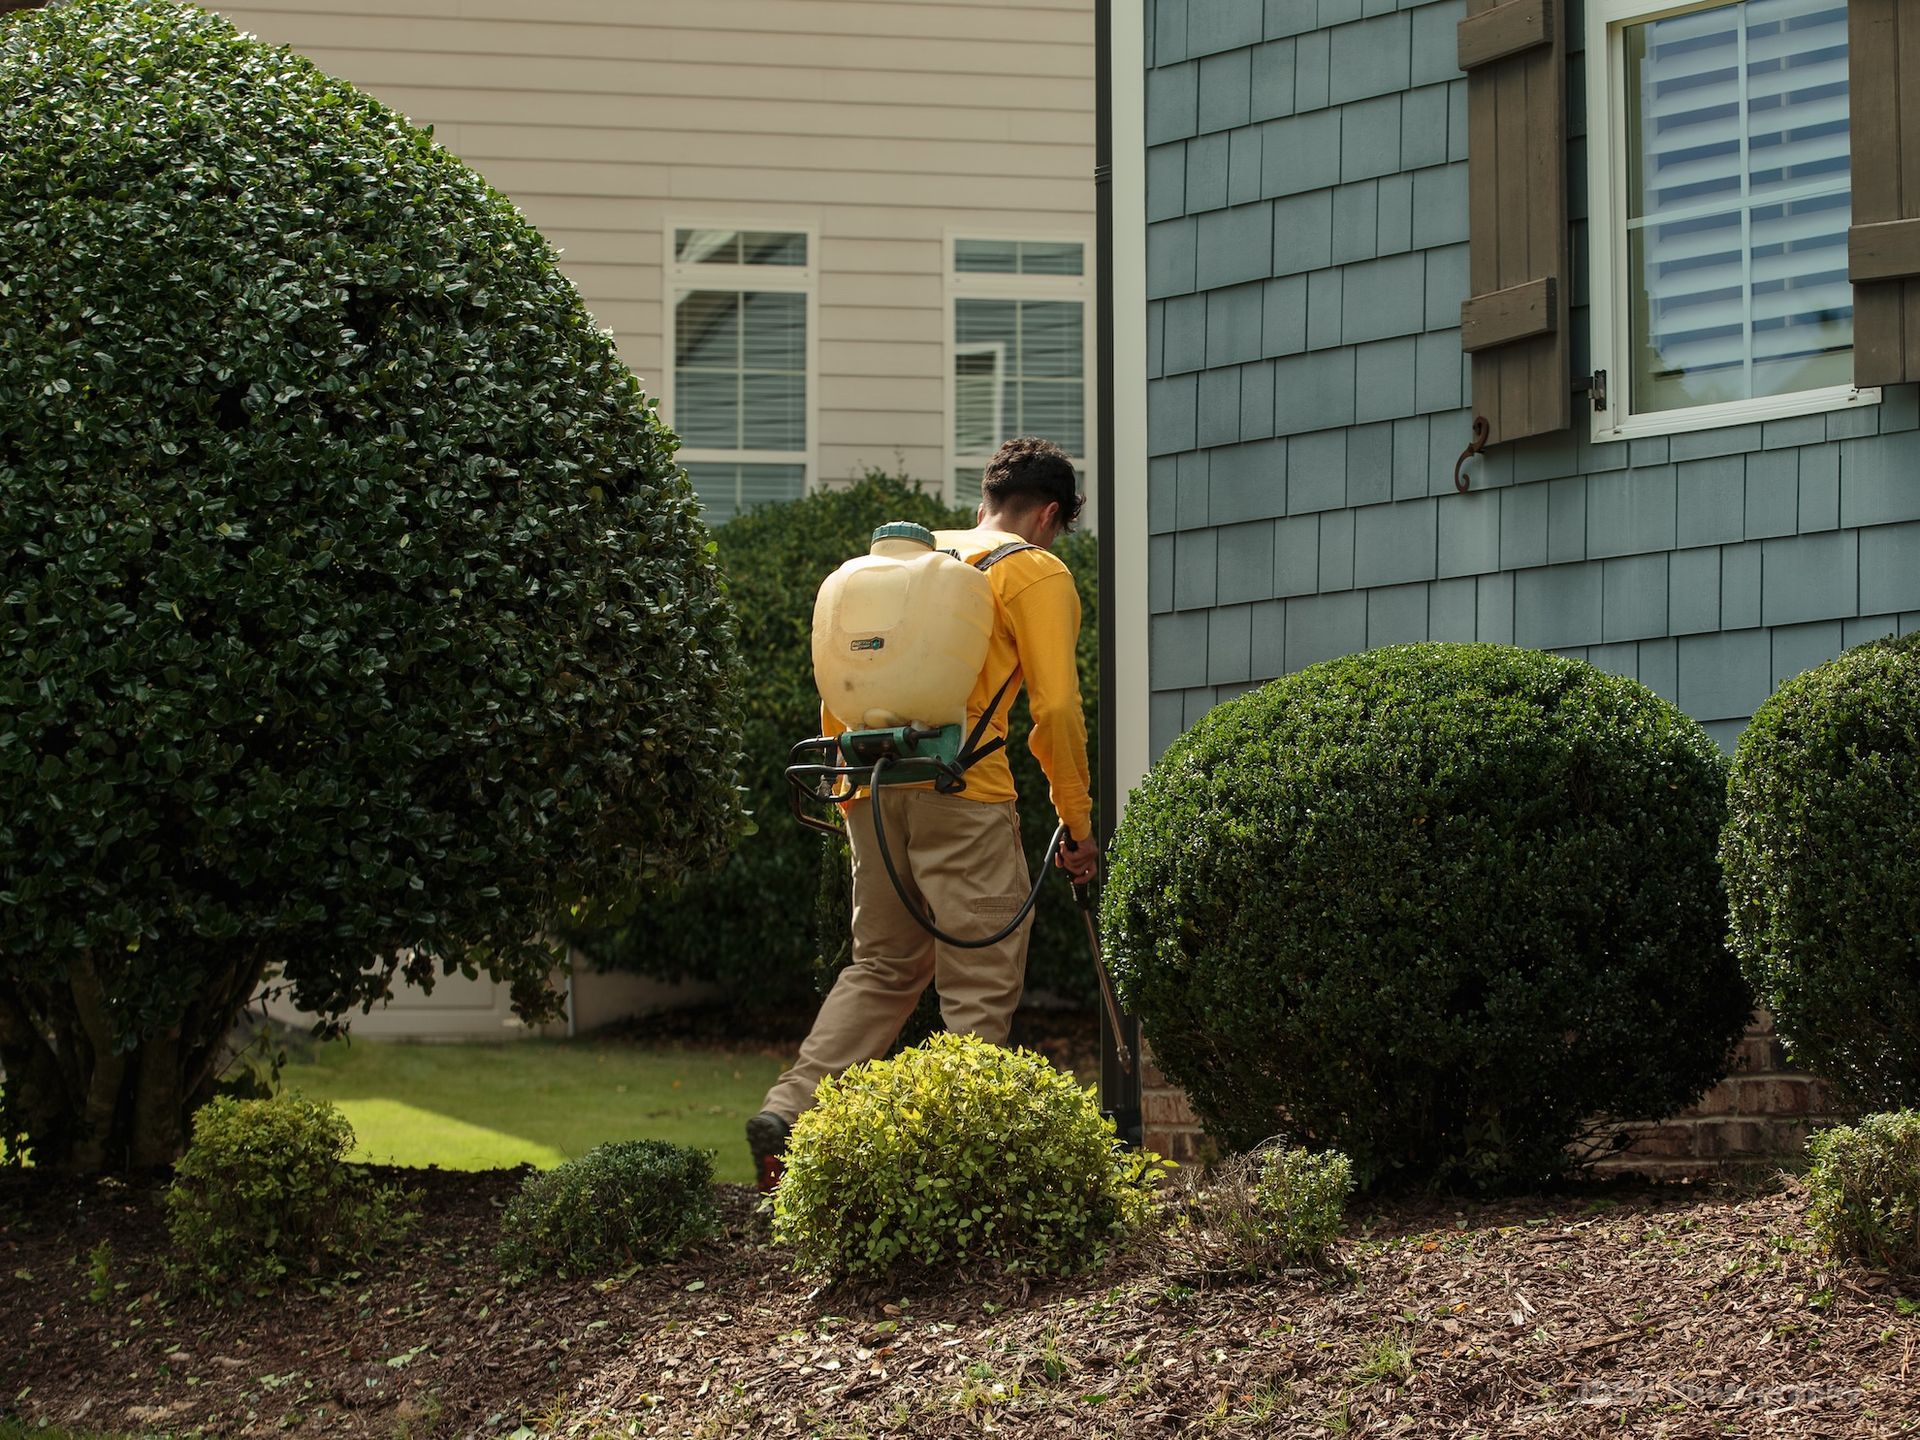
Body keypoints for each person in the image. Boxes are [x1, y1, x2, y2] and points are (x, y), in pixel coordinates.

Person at [747, 435, 1099, 1189]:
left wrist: (848, 791)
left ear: (984, 500)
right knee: (978, 979)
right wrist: (1077, 825)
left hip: (868, 792)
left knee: (882, 967)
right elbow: (1058, 710)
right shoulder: (1032, 571)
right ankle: (957, 1167)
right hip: (964, 795)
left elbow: (842, 683)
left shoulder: (903, 563)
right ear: (1048, 515)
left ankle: (790, 1113)